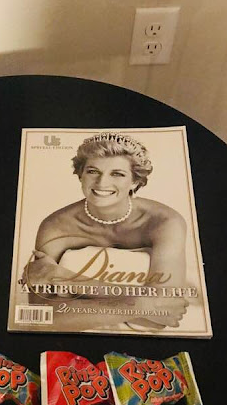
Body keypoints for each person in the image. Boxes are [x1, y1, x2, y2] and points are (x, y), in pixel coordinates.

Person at [24, 131, 188, 329]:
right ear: (80, 175)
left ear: (135, 181)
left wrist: (66, 279)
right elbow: (41, 315)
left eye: (117, 174)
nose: (102, 183)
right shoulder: (55, 226)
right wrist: (141, 305)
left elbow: (167, 309)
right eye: (93, 171)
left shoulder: (164, 222)